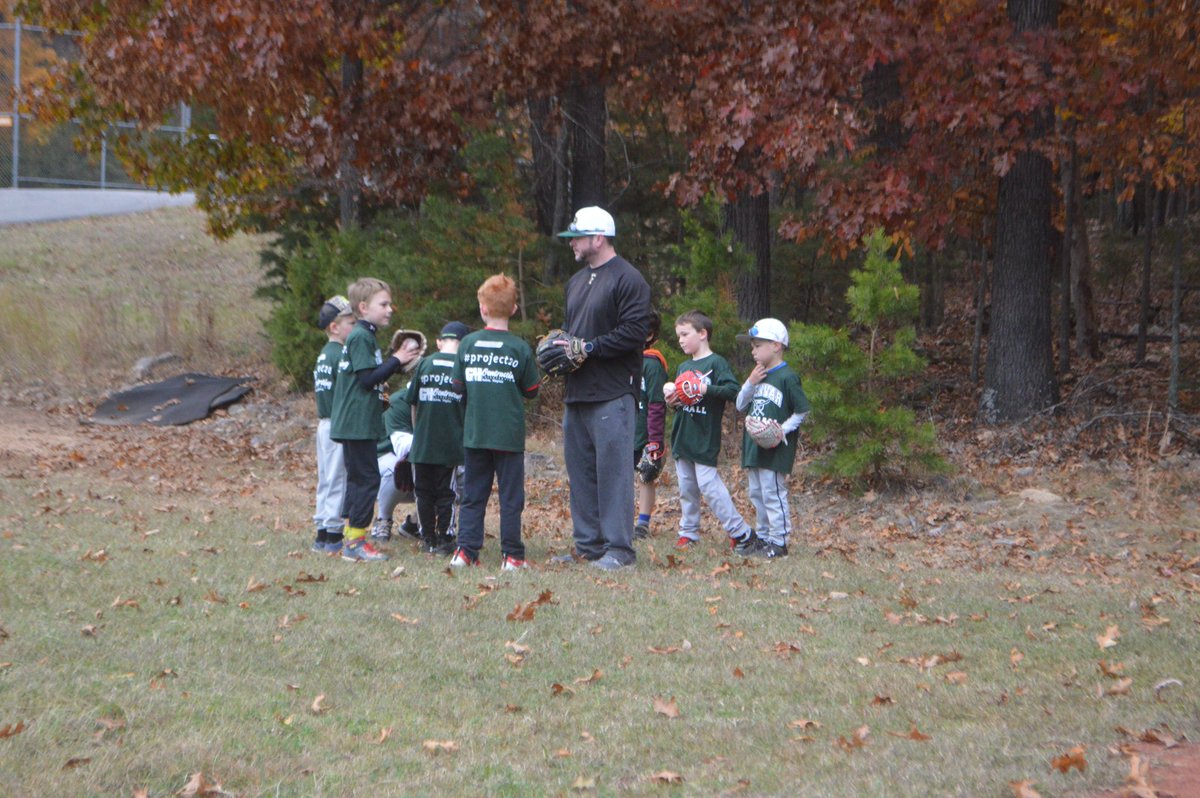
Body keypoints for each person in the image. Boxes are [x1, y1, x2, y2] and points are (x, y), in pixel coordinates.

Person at [554, 206, 651, 570]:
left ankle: (620, 550)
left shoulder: (629, 279)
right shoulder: (576, 282)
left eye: (577, 237)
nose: (572, 243)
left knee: (613, 475)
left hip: (613, 392)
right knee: (581, 475)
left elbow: (634, 333)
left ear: (598, 238)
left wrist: (590, 348)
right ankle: (589, 546)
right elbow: (572, 334)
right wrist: (561, 348)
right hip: (577, 392)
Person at [449, 275, 540, 569]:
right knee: (511, 498)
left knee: (473, 495)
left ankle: (465, 551)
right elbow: (532, 390)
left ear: (483, 309)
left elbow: (457, 386)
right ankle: (511, 556)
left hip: (476, 433)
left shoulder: (468, 344)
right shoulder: (520, 347)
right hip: (508, 436)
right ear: (513, 309)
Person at [330, 277, 422, 562]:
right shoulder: (361, 336)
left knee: (360, 479)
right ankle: (355, 543)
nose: (389, 309)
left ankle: (351, 537)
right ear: (363, 307)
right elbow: (366, 379)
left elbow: (371, 377)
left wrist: (394, 365)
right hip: (356, 424)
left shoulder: (365, 336)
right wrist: (397, 358)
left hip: (360, 422)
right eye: (383, 304)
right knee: (367, 479)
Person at [667, 309, 756, 552]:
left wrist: (705, 388)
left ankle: (740, 532)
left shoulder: (716, 363)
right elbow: (684, 400)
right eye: (678, 336)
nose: (680, 340)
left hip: (704, 436)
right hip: (683, 436)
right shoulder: (683, 366)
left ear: (702, 334)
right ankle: (688, 532)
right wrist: (674, 400)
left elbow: (733, 391)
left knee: (709, 485)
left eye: (685, 334)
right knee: (687, 488)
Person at [735, 318, 811, 558]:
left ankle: (779, 542)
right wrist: (750, 382)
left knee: (772, 493)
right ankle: (764, 537)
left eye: (758, 345)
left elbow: (802, 410)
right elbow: (740, 405)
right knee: (757, 493)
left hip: (775, 447)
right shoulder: (757, 375)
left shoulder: (787, 377)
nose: (753, 351)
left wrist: (781, 431)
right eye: (752, 346)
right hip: (754, 446)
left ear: (776, 346)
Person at [404, 321, 469, 556]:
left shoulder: (425, 364)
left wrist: (418, 433)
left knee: (423, 492)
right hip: (449, 443)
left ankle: (427, 538)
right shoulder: (462, 367)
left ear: (439, 342)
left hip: (423, 443)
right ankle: (446, 537)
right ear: (463, 344)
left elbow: (412, 402)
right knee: (446, 493)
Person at [311, 295, 355, 555]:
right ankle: (333, 533)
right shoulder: (340, 355)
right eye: (350, 322)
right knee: (338, 478)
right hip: (337, 424)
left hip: (324, 424)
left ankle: (322, 530)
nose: (354, 327)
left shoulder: (324, 355)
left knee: (326, 478)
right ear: (334, 327)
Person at [369, 389, 420, 544]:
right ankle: (383, 520)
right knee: (398, 467)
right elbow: (402, 446)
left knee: (459, 475)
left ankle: (415, 523)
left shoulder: (448, 399)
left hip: (421, 464)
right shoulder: (400, 400)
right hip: (383, 460)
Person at [634, 310, 668, 540]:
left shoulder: (652, 364)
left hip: (643, 432)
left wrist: (655, 439)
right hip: (622, 429)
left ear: (648, 335)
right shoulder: (622, 361)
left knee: (645, 476)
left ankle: (643, 523)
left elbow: (657, 402)